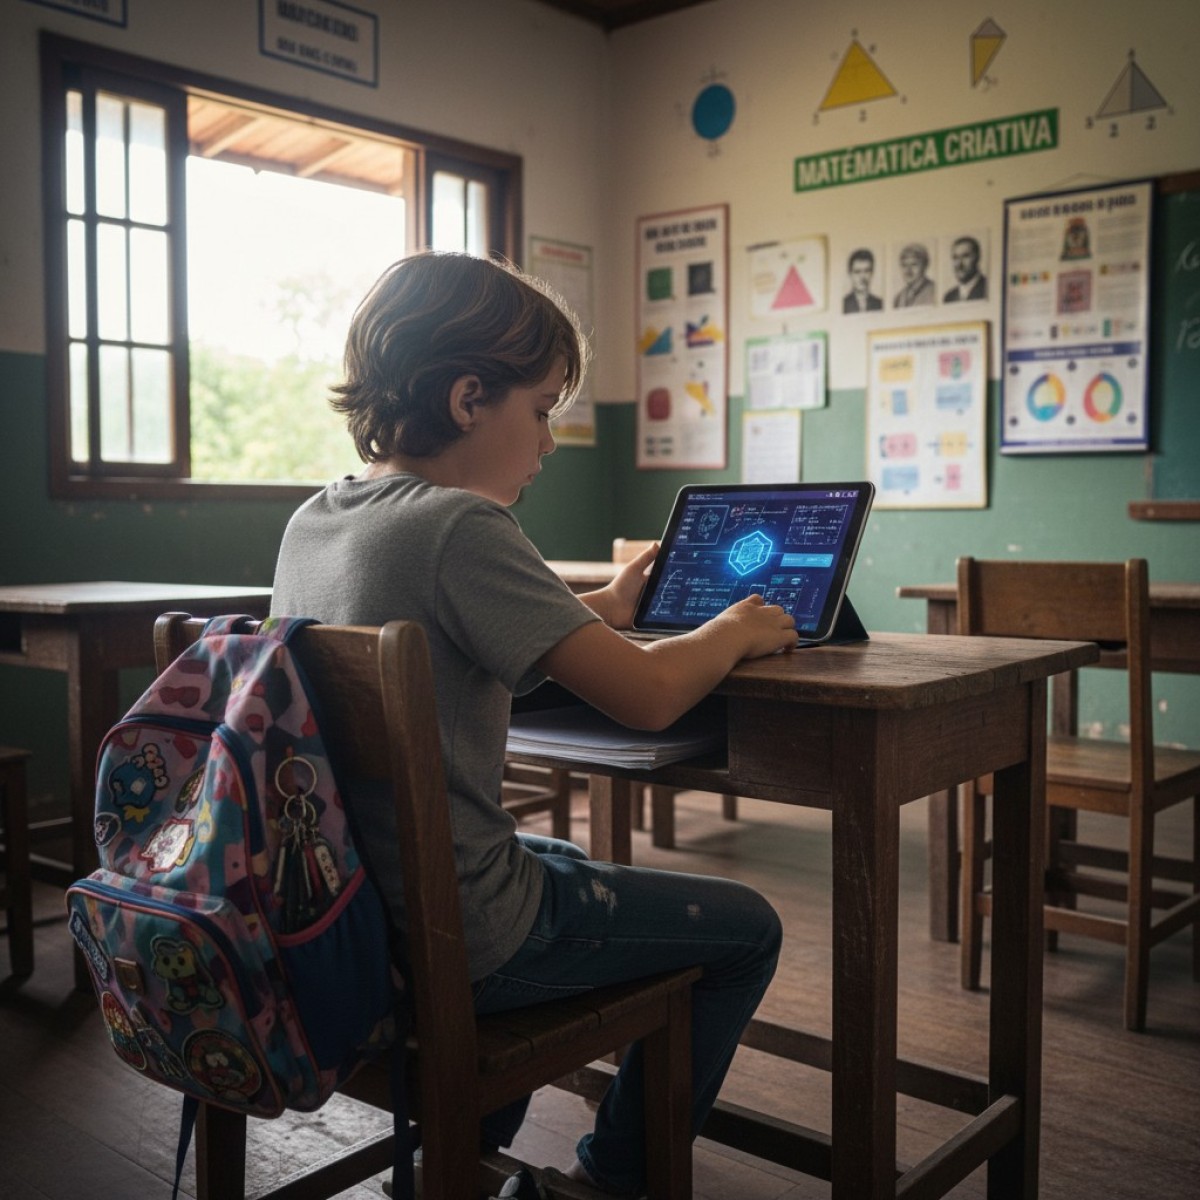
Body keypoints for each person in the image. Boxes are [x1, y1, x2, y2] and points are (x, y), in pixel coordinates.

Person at [271, 251, 790, 1200]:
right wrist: (733, 627)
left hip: (350, 916)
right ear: (470, 396)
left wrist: (603, 606)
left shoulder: (322, 518)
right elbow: (646, 698)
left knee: (568, 860)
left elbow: (457, 610)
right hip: (465, 936)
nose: (550, 442)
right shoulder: (462, 527)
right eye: (544, 409)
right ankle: (610, 1183)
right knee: (748, 928)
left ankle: (454, 1159)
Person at [943, 236, 987, 302]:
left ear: (977, 258)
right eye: (955, 258)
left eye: (965, 256)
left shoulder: (988, 288)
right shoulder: (949, 297)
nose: (959, 264)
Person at [892, 242, 935, 307]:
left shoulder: (934, 291)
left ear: (924, 266)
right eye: (904, 265)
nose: (908, 270)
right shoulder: (898, 298)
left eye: (914, 264)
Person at [842, 248, 883, 313]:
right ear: (850, 274)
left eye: (866, 271)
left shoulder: (880, 304)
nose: (862, 277)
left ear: (872, 273)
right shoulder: (843, 304)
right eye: (857, 272)